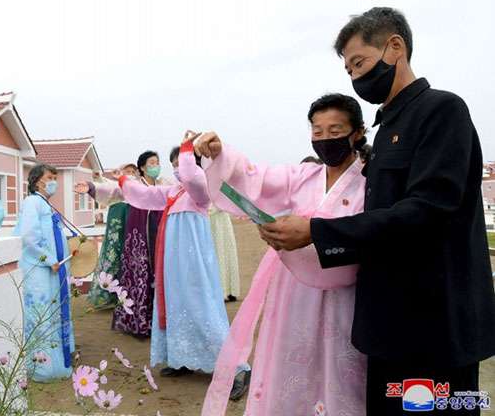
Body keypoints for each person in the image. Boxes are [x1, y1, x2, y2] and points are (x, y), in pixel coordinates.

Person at [257, 7, 495, 415]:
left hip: (432, 323)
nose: (354, 76)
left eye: (359, 62)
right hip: (387, 324)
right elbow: (378, 221)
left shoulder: (441, 111)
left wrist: (317, 231)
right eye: (348, 69)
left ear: (394, 47)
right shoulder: (386, 130)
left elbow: (427, 210)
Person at [198, 94, 369, 415]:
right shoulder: (303, 176)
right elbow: (255, 177)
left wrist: (313, 233)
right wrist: (221, 154)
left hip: (345, 296)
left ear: (357, 132)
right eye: (317, 132)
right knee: (293, 370)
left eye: (335, 131)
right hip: (294, 292)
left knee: (340, 374)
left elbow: (370, 232)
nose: (325, 139)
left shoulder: (370, 183)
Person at [117, 132, 250, 399]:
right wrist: (120, 180)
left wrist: (189, 148)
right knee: (176, 306)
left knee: (202, 308)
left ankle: (237, 369)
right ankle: (182, 359)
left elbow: (190, 176)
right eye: (174, 164)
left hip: (194, 263)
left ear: (195, 162)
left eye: (182, 161)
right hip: (173, 264)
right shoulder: (173, 191)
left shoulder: (201, 186)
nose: (178, 168)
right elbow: (143, 194)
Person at [80, 151, 167, 337]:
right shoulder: (133, 186)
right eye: (152, 163)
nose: (156, 166)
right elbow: (112, 190)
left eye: (157, 162)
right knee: (138, 276)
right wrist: (91, 187)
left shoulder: (163, 185)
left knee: (159, 275)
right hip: (138, 238)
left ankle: (158, 321)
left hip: (159, 236)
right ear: (142, 167)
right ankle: (137, 322)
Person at [14, 163, 75, 382]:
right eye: (50, 177)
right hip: (39, 269)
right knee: (41, 314)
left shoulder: (44, 203)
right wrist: (49, 259)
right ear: (37, 180)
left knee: (53, 312)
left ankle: (58, 360)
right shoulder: (32, 202)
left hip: (53, 269)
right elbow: (29, 236)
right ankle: (42, 367)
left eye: (55, 178)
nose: (53, 182)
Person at [81, 163, 138, 309]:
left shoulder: (137, 187)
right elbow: (105, 186)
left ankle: (126, 295)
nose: (131, 174)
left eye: (133, 171)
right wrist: (98, 178)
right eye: (128, 171)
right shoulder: (115, 185)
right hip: (117, 218)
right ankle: (107, 296)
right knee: (112, 253)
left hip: (131, 219)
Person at [209, 205, 241, 302]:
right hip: (211, 215)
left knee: (223, 249)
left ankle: (228, 290)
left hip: (217, 214)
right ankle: (224, 290)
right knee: (219, 250)